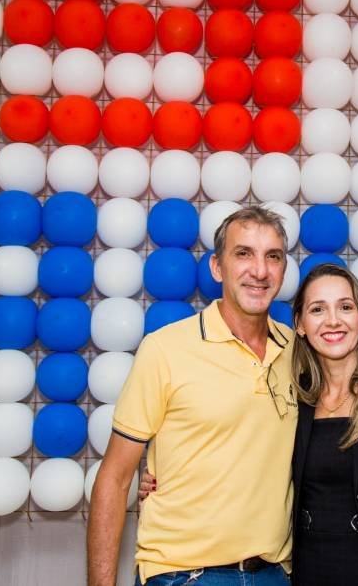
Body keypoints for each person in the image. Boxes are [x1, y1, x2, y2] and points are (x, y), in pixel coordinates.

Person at [141, 263, 358, 586]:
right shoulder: (293, 395)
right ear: (300, 325)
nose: (333, 320)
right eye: (318, 309)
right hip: (307, 575)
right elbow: (239, 452)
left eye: (345, 307)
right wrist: (163, 475)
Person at [87, 206, 297, 586]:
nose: (260, 270)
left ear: (283, 270)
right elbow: (114, 478)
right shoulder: (165, 349)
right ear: (217, 267)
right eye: (243, 253)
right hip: (183, 574)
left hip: (274, 574)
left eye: (273, 257)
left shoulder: (299, 353)